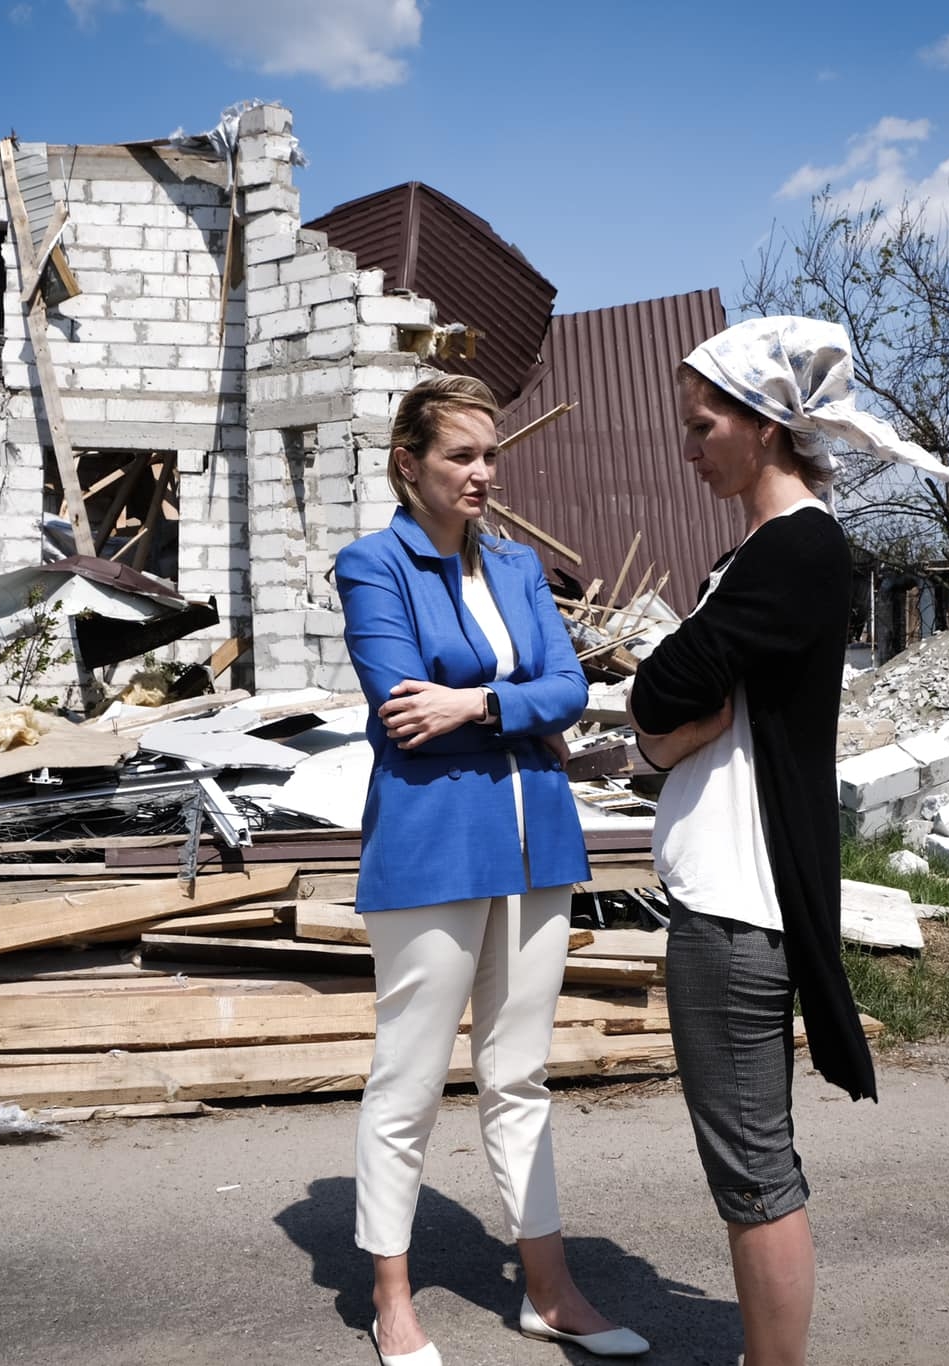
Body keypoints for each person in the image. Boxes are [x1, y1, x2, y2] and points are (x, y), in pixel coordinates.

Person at [627, 317, 949, 1366]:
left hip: (733, 903)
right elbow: (678, 713)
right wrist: (668, 728)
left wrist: (664, 722)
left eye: (699, 424)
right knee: (753, 1164)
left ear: (763, 425)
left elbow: (661, 689)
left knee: (753, 1171)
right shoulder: (765, 554)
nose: (688, 448)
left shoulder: (797, 548)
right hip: (732, 899)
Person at [336, 374, 650, 1366]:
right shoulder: (370, 565)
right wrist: (519, 709)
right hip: (431, 847)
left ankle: (547, 1292)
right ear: (408, 464)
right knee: (410, 1080)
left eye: (488, 455)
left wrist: (476, 705)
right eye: (459, 456)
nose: (480, 473)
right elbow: (399, 708)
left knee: (519, 1077)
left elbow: (567, 686)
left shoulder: (516, 568)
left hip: (537, 843)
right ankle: (392, 1301)